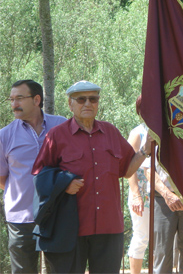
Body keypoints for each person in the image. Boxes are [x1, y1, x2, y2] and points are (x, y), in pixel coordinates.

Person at [32, 80, 151, 274]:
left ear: (98, 102)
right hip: (69, 229)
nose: (87, 103)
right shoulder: (56, 136)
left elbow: (127, 170)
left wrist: (145, 149)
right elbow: (39, 177)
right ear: (71, 104)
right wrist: (63, 184)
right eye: (81, 99)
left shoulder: (111, 132)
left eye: (93, 99)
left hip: (109, 227)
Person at [0, 80, 66, 273]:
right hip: (20, 219)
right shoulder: (5, 135)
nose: (14, 104)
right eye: (11, 99)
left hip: (57, 215)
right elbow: (3, 179)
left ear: (37, 99)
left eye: (19, 98)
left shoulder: (60, 125)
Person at [143, 146, 183, 274]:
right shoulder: (157, 131)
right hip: (161, 198)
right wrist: (167, 194)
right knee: (162, 252)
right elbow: (148, 169)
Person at [127, 96, 151, 274]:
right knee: (141, 236)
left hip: (160, 193)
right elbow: (129, 166)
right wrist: (136, 194)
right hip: (142, 193)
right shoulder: (138, 133)